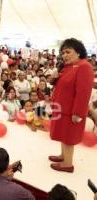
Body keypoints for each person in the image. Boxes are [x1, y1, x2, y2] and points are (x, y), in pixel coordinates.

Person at [49, 38, 94, 173]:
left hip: (71, 111)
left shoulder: (84, 67)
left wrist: (78, 113)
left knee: (68, 137)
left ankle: (67, 164)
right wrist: (54, 77)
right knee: (63, 135)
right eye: (63, 53)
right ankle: (63, 156)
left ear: (79, 52)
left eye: (68, 52)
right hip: (61, 108)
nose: (64, 55)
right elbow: (60, 86)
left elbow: (84, 92)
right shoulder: (67, 67)